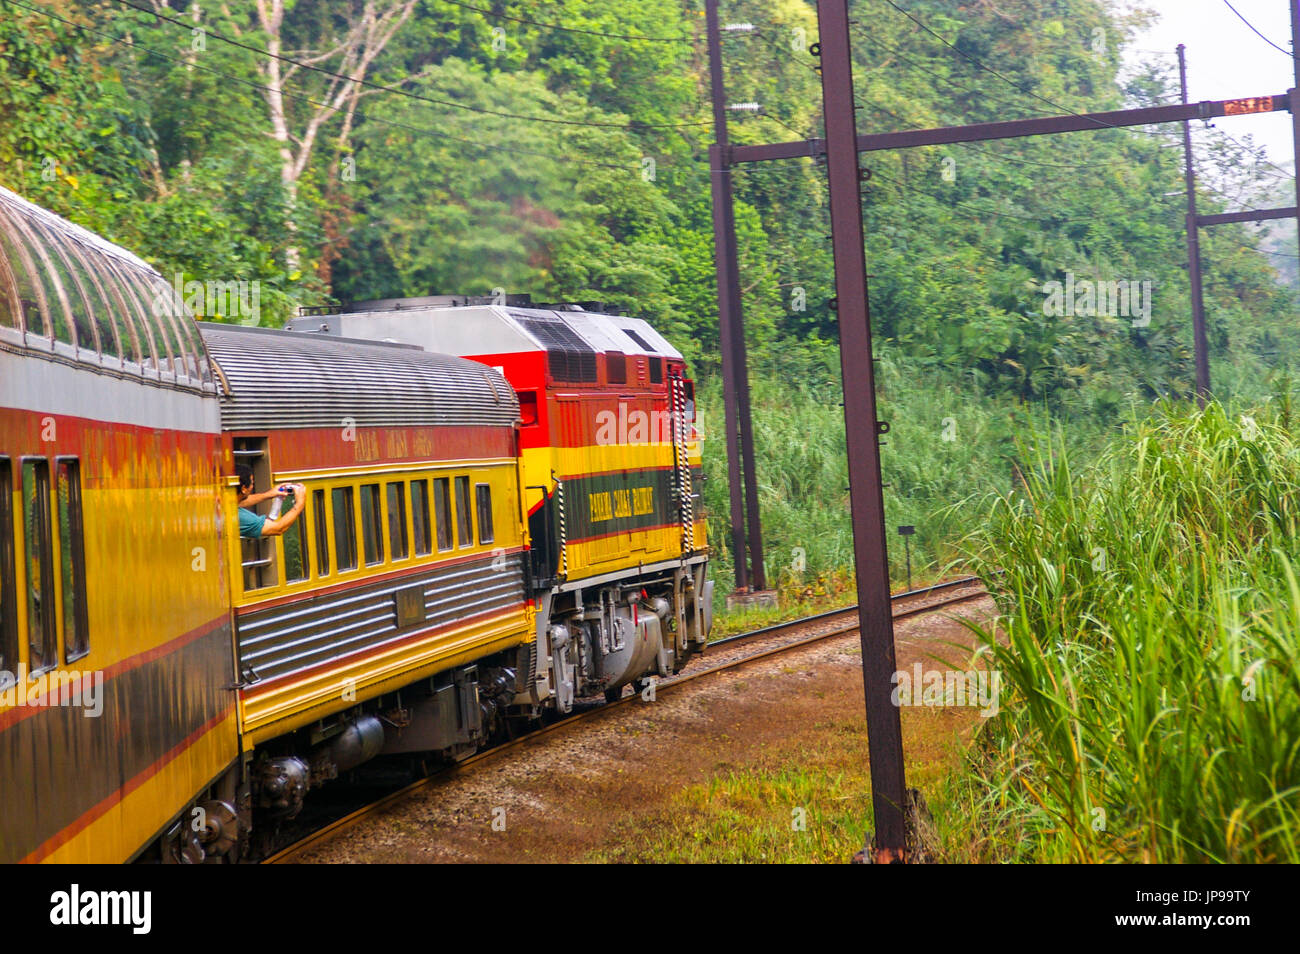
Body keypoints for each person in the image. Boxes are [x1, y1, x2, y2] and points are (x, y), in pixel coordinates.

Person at [236, 465, 306, 538]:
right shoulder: (241, 517)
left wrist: (268, 495)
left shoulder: (225, 503)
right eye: (252, 484)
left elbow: (239, 502)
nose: (252, 487)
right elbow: (278, 529)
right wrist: (299, 504)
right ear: (243, 488)